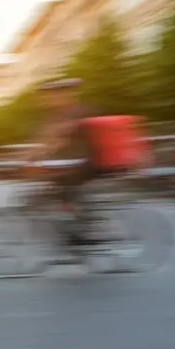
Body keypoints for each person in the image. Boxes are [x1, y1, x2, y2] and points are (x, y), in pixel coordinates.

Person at [26, 78, 101, 247]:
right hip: (71, 160)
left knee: (63, 184)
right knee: (56, 186)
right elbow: (47, 138)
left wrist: (37, 155)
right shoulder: (57, 114)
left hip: (87, 160)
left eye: (52, 94)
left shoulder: (75, 112)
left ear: (64, 94)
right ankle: (72, 224)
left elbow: (58, 139)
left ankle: (81, 230)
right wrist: (32, 155)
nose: (47, 98)